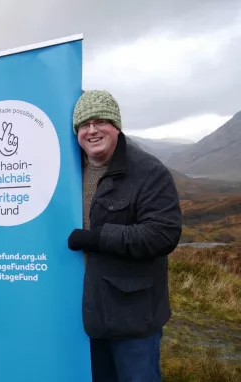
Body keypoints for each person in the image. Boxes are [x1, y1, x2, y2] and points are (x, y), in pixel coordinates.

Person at [67, 90, 182, 382]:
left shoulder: (149, 172)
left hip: (133, 316)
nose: (92, 130)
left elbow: (162, 234)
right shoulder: (68, 170)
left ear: (116, 125)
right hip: (86, 312)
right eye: (84, 124)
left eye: (100, 121)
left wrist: (97, 238)